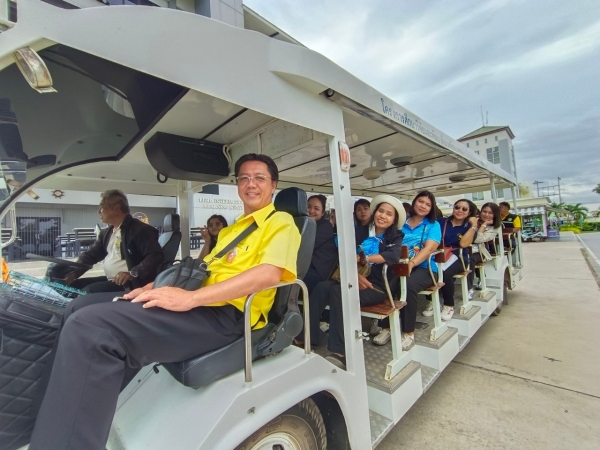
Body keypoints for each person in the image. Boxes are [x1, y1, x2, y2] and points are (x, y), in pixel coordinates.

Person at [29, 153, 301, 450]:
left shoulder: (281, 222)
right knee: (79, 306)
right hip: (199, 303)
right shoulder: (232, 230)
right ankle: (41, 419)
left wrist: (191, 298)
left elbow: (268, 275)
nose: (251, 184)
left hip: (228, 315)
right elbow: (203, 270)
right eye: (244, 178)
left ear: (273, 185)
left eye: (259, 178)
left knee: (91, 328)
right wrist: (155, 285)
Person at [305, 195, 405, 370]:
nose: (383, 216)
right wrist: (353, 271)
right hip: (352, 279)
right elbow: (345, 250)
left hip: (376, 287)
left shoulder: (395, 237)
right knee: (322, 287)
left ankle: (340, 351)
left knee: (338, 292)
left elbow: (392, 255)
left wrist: (364, 259)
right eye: (381, 211)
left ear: (394, 219)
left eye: (389, 214)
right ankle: (307, 336)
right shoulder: (361, 231)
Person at [58, 190, 164, 294]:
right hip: (113, 280)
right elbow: (90, 256)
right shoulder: (106, 233)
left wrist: (133, 273)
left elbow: (155, 256)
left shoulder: (140, 230)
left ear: (116, 208)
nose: (98, 211)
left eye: (101, 207)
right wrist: (73, 273)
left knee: (88, 291)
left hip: (132, 283)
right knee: (74, 286)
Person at [397, 191, 441, 350]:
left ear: (431, 208)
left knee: (408, 285)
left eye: (428, 204)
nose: (423, 206)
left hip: (426, 268)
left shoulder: (433, 225)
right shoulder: (402, 222)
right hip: (400, 265)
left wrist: (412, 263)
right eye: (421, 201)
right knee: (387, 282)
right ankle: (387, 327)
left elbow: (429, 249)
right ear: (414, 202)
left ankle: (408, 332)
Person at [423, 199, 478, 321]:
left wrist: (474, 225)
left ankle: (448, 305)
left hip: (459, 257)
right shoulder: (441, 221)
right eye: (457, 207)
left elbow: (463, 244)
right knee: (426, 269)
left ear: (469, 212)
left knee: (445, 273)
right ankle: (433, 301)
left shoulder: (469, 227)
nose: (460, 210)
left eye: (464, 209)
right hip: (438, 254)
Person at [304, 195, 338, 294]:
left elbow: (304, 246)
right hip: (307, 268)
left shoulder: (325, 227)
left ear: (322, 213)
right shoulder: (304, 224)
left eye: (316, 209)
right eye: (309, 207)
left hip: (319, 273)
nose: (311, 211)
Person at [468, 202, 501, 291]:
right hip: (465, 248)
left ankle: (468, 288)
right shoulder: (473, 220)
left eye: (490, 213)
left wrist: (484, 224)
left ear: (495, 214)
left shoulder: (495, 227)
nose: (486, 215)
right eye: (484, 211)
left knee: (470, 258)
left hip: (480, 251)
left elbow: (478, 239)